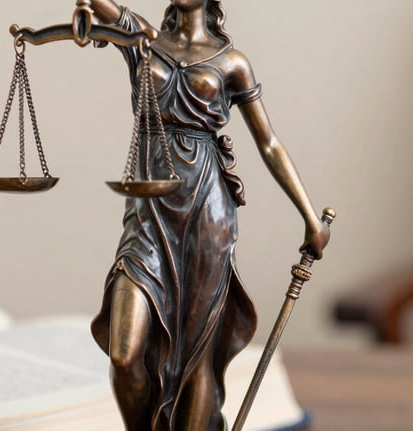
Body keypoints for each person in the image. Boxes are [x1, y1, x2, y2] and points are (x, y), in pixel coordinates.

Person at [87, 1, 330, 430]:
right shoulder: (142, 41)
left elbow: (269, 143)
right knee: (125, 354)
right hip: (148, 215)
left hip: (207, 210)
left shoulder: (232, 63)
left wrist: (310, 216)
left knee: (196, 351)